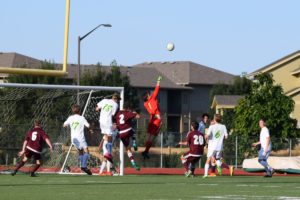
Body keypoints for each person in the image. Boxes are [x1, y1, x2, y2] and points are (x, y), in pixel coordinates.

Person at [63, 104, 92, 175]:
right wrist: (90, 129)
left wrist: (68, 126)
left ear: (73, 111)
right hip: (80, 138)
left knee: (81, 152)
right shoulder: (82, 118)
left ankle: (83, 166)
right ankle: (84, 166)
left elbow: (64, 125)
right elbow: (88, 125)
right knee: (87, 151)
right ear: (80, 111)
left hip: (73, 139)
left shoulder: (70, 118)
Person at [96, 93, 120, 176]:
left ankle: (101, 172)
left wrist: (98, 109)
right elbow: (113, 115)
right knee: (108, 156)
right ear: (116, 99)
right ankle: (108, 171)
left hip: (101, 122)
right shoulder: (115, 104)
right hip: (106, 122)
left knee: (106, 158)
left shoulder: (105, 100)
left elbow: (97, 108)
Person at [141, 75, 162, 159]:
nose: (150, 94)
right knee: (152, 136)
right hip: (156, 120)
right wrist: (158, 81)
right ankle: (146, 151)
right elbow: (157, 89)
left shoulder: (145, 104)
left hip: (151, 120)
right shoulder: (152, 98)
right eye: (148, 94)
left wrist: (154, 114)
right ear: (148, 96)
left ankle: (146, 151)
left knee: (149, 137)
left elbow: (150, 111)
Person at [115, 103, 141, 171]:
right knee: (132, 131)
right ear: (127, 108)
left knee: (128, 149)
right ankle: (134, 142)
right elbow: (138, 116)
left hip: (121, 133)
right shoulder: (128, 112)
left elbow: (114, 120)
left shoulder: (117, 113)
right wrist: (135, 113)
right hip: (127, 130)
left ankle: (133, 163)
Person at [203, 114, 228, 178]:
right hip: (220, 147)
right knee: (217, 159)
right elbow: (226, 136)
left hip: (212, 147)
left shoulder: (211, 126)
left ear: (214, 119)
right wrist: (222, 138)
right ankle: (219, 165)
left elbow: (207, 136)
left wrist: (205, 137)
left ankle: (205, 174)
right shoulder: (223, 126)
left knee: (208, 159)